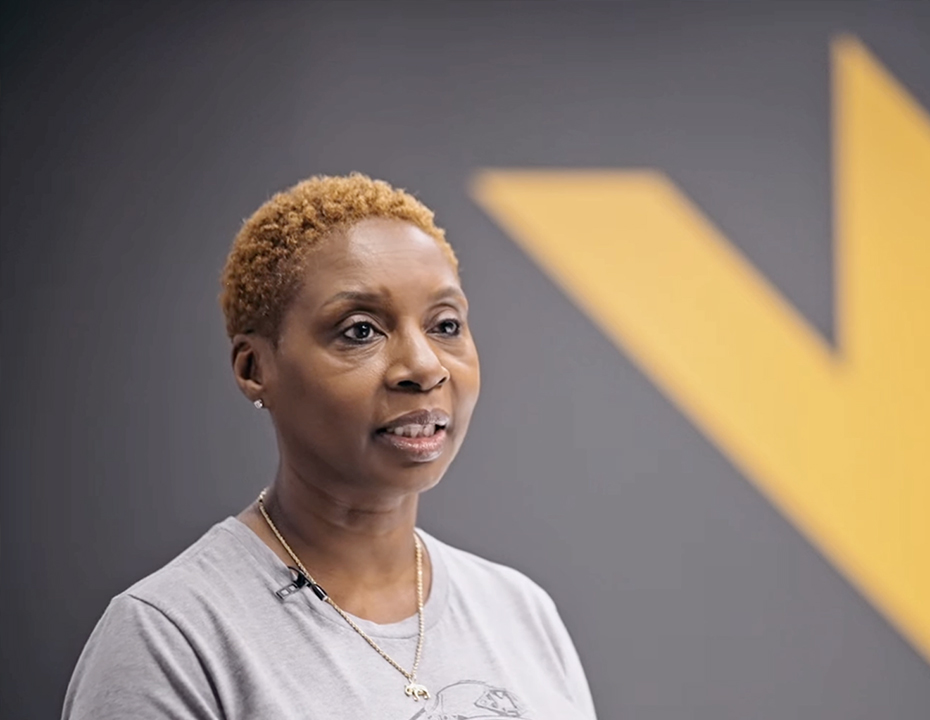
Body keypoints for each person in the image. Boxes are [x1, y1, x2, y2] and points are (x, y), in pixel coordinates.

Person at [62, 174, 597, 719]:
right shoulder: (172, 637)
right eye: (360, 330)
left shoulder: (519, 613)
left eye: (445, 324)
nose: (425, 366)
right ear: (255, 369)